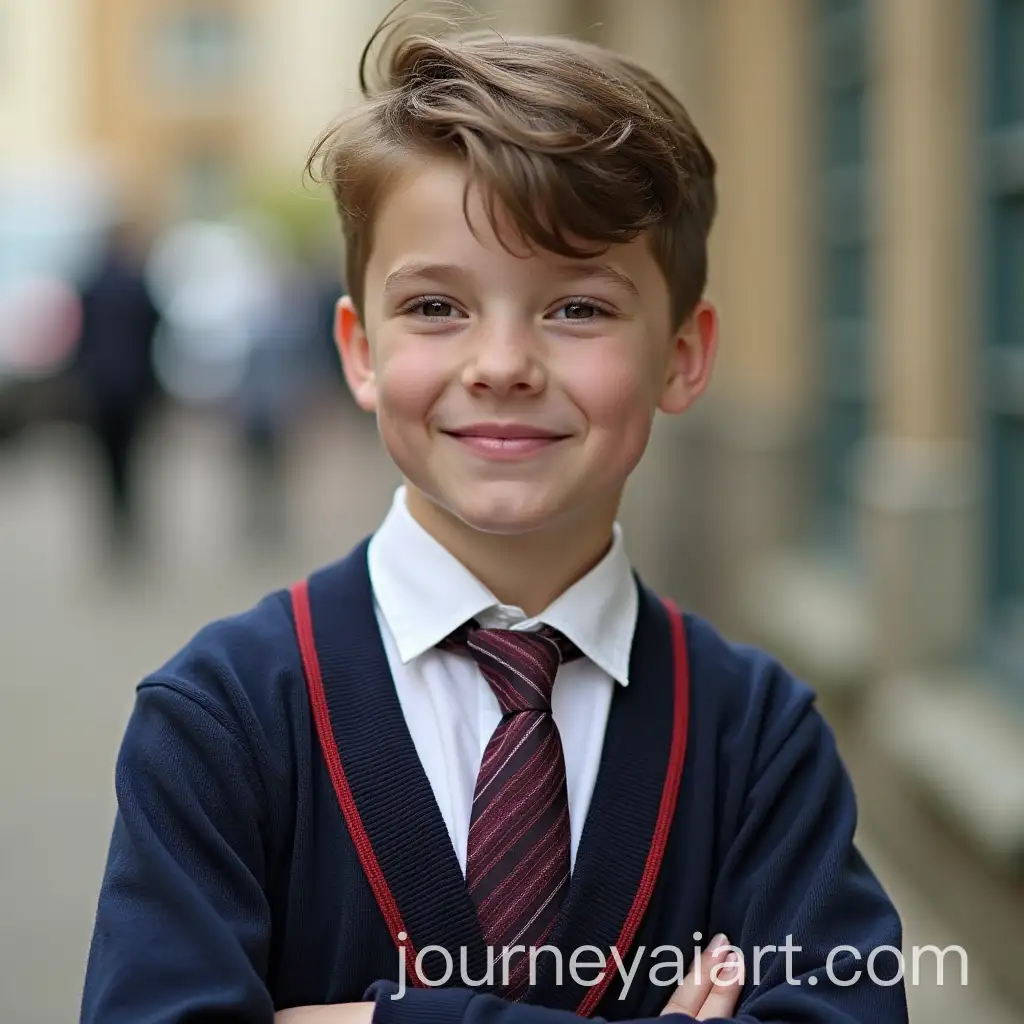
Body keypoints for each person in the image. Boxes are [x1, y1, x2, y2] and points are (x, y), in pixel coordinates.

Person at [79, 14, 909, 1024]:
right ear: (359, 350)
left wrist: (382, 1019)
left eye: (577, 309)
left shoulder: (755, 738)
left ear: (683, 356)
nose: (503, 363)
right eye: (436, 307)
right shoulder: (225, 718)